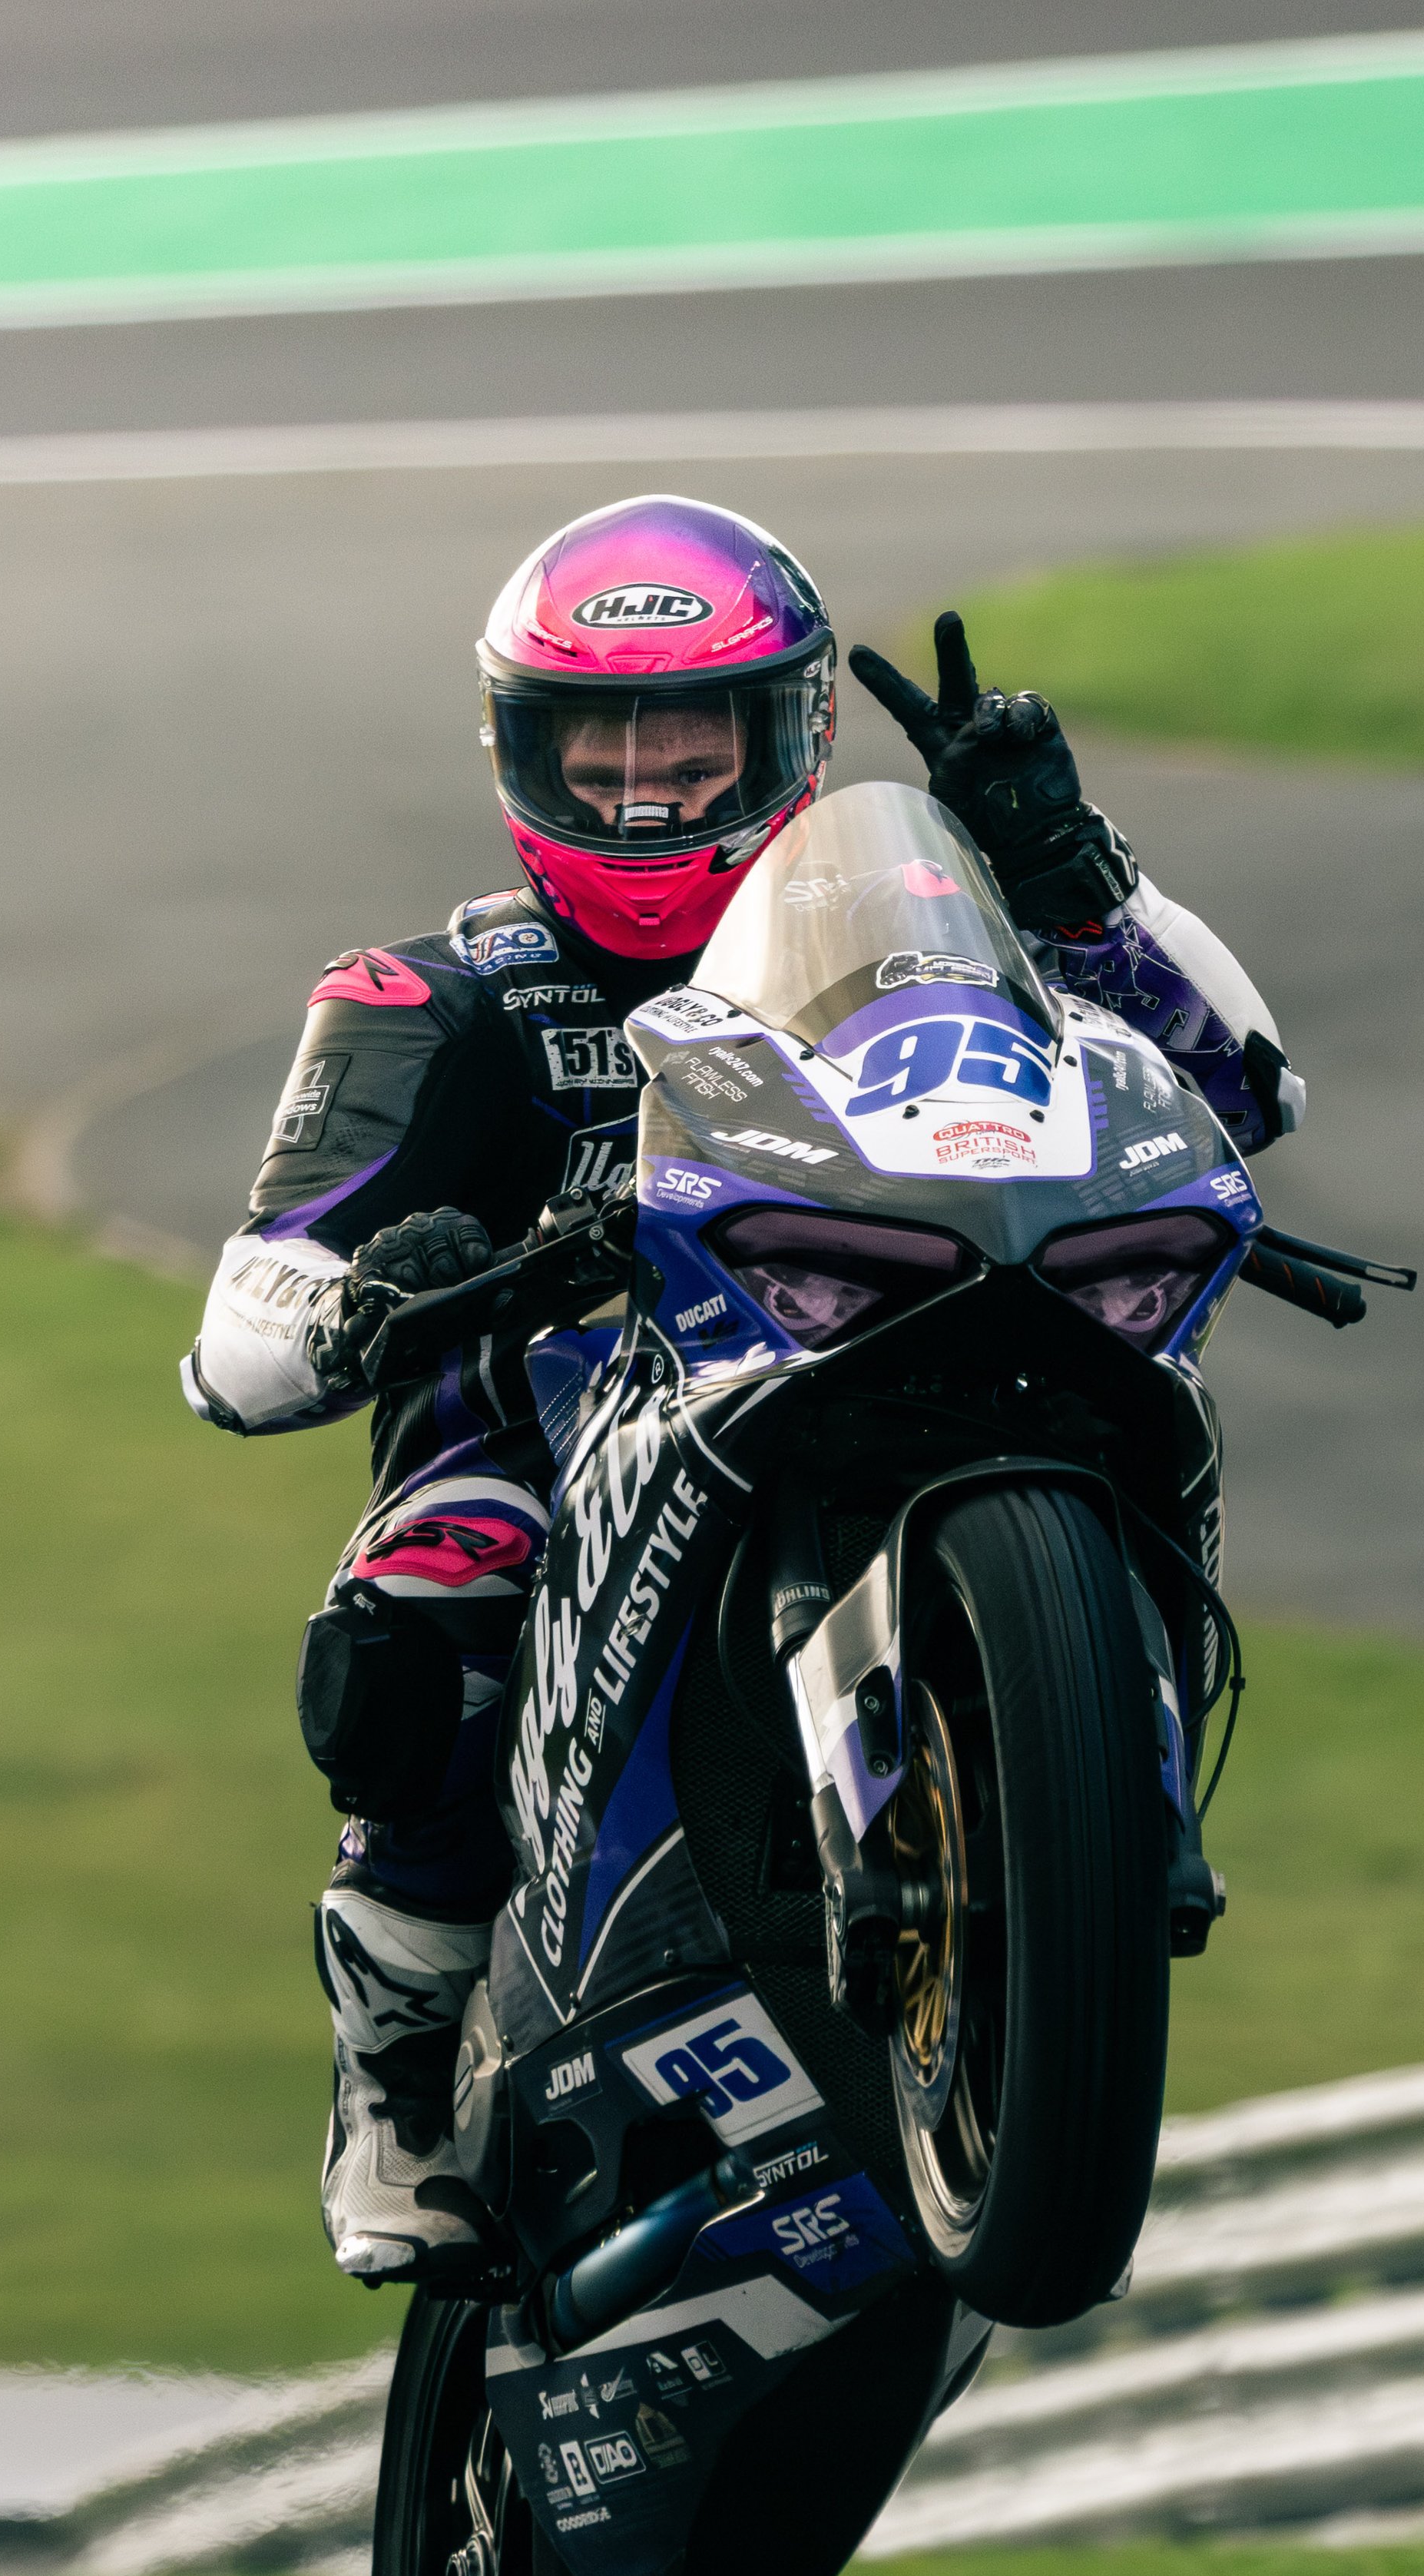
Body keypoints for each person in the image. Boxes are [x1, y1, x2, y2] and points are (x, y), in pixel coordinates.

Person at [181, 494, 1302, 2286]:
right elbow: (238, 1328)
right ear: (516, 752)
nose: (645, 789)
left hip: (874, 1341)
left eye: (691, 740)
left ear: (794, 736)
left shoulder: (940, 943)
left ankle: (1083, 1793)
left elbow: (1237, 1087)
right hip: (548, 1424)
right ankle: (395, 2069)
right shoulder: (429, 993)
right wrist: (368, 1294)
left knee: (1122, 1388)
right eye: (599, 742)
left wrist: (1077, 874)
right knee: (430, 1591)